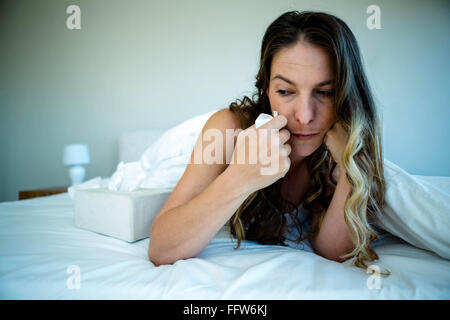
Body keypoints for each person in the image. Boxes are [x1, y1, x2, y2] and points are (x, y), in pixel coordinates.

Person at [148, 11, 386, 272]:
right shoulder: (229, 128)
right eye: (285, 91)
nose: (305, 116)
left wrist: (349, 167)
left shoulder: (338, 143)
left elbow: (333, 251)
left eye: (325, 92)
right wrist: (241, 176)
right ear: (266, 87)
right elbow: (162, 249)